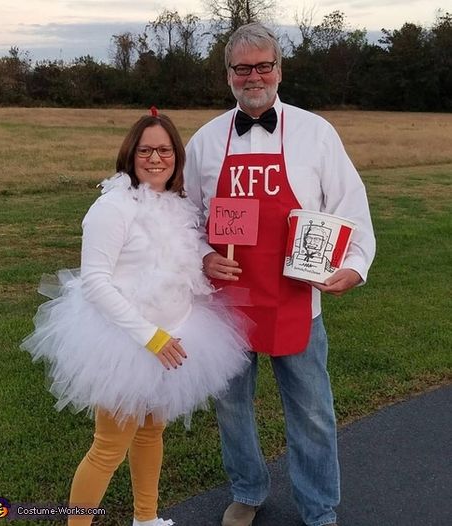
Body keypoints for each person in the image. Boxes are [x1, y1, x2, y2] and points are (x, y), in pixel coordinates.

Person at [184, 23, 376, 526]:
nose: (254, 76)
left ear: (279, 69)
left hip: (297, 301)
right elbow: (184, 220)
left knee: (311, 412)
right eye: (243, 68)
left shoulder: (316, 133)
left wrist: (354, 266)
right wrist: (204, 255)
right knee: (232, 408)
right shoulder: (205, 142)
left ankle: (319, 508)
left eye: (263, 65)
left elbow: (349, 206)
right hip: (226, 305)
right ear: (228, 75)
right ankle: (247, 490)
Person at [21, 111, 250, 526]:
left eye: (165, 149)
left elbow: (182, 242)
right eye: (146, 150)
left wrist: (207, 257)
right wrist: (150, 337)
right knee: (109, 447)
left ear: (176, 157)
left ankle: (146, 519)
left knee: (150, 433)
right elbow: (95, 281)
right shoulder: (112, 207)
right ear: (131, 154)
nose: (156, 158)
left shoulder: (174, 202)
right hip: (126, 341)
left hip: (174, 331)